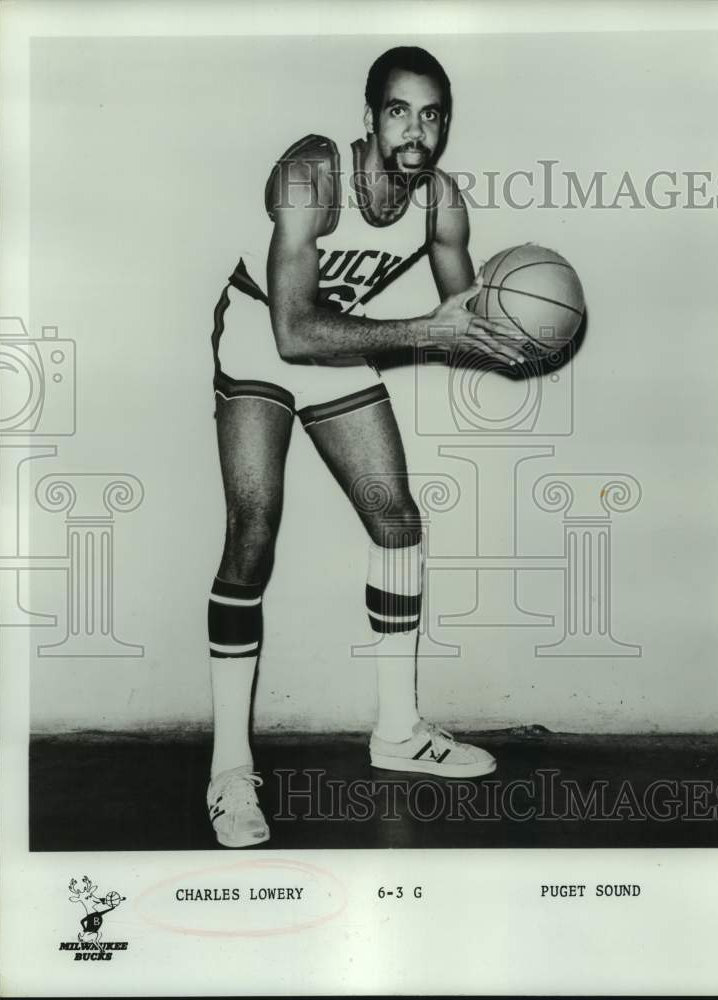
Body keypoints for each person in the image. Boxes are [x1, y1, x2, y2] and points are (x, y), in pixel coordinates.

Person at [206, 46, 531, 848]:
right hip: (260, 339)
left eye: (430, 113)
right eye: (398, 110)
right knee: (254, 524)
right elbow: (290, 331)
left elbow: (465, 312)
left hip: (340, 345)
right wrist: (427, 332)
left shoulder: (440, 201)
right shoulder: (310, 172)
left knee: (396, 518)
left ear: (444, 124)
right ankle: (228, 770)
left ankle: (397, 734)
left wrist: (522, 330)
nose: (414, 129)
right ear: (368, 117)